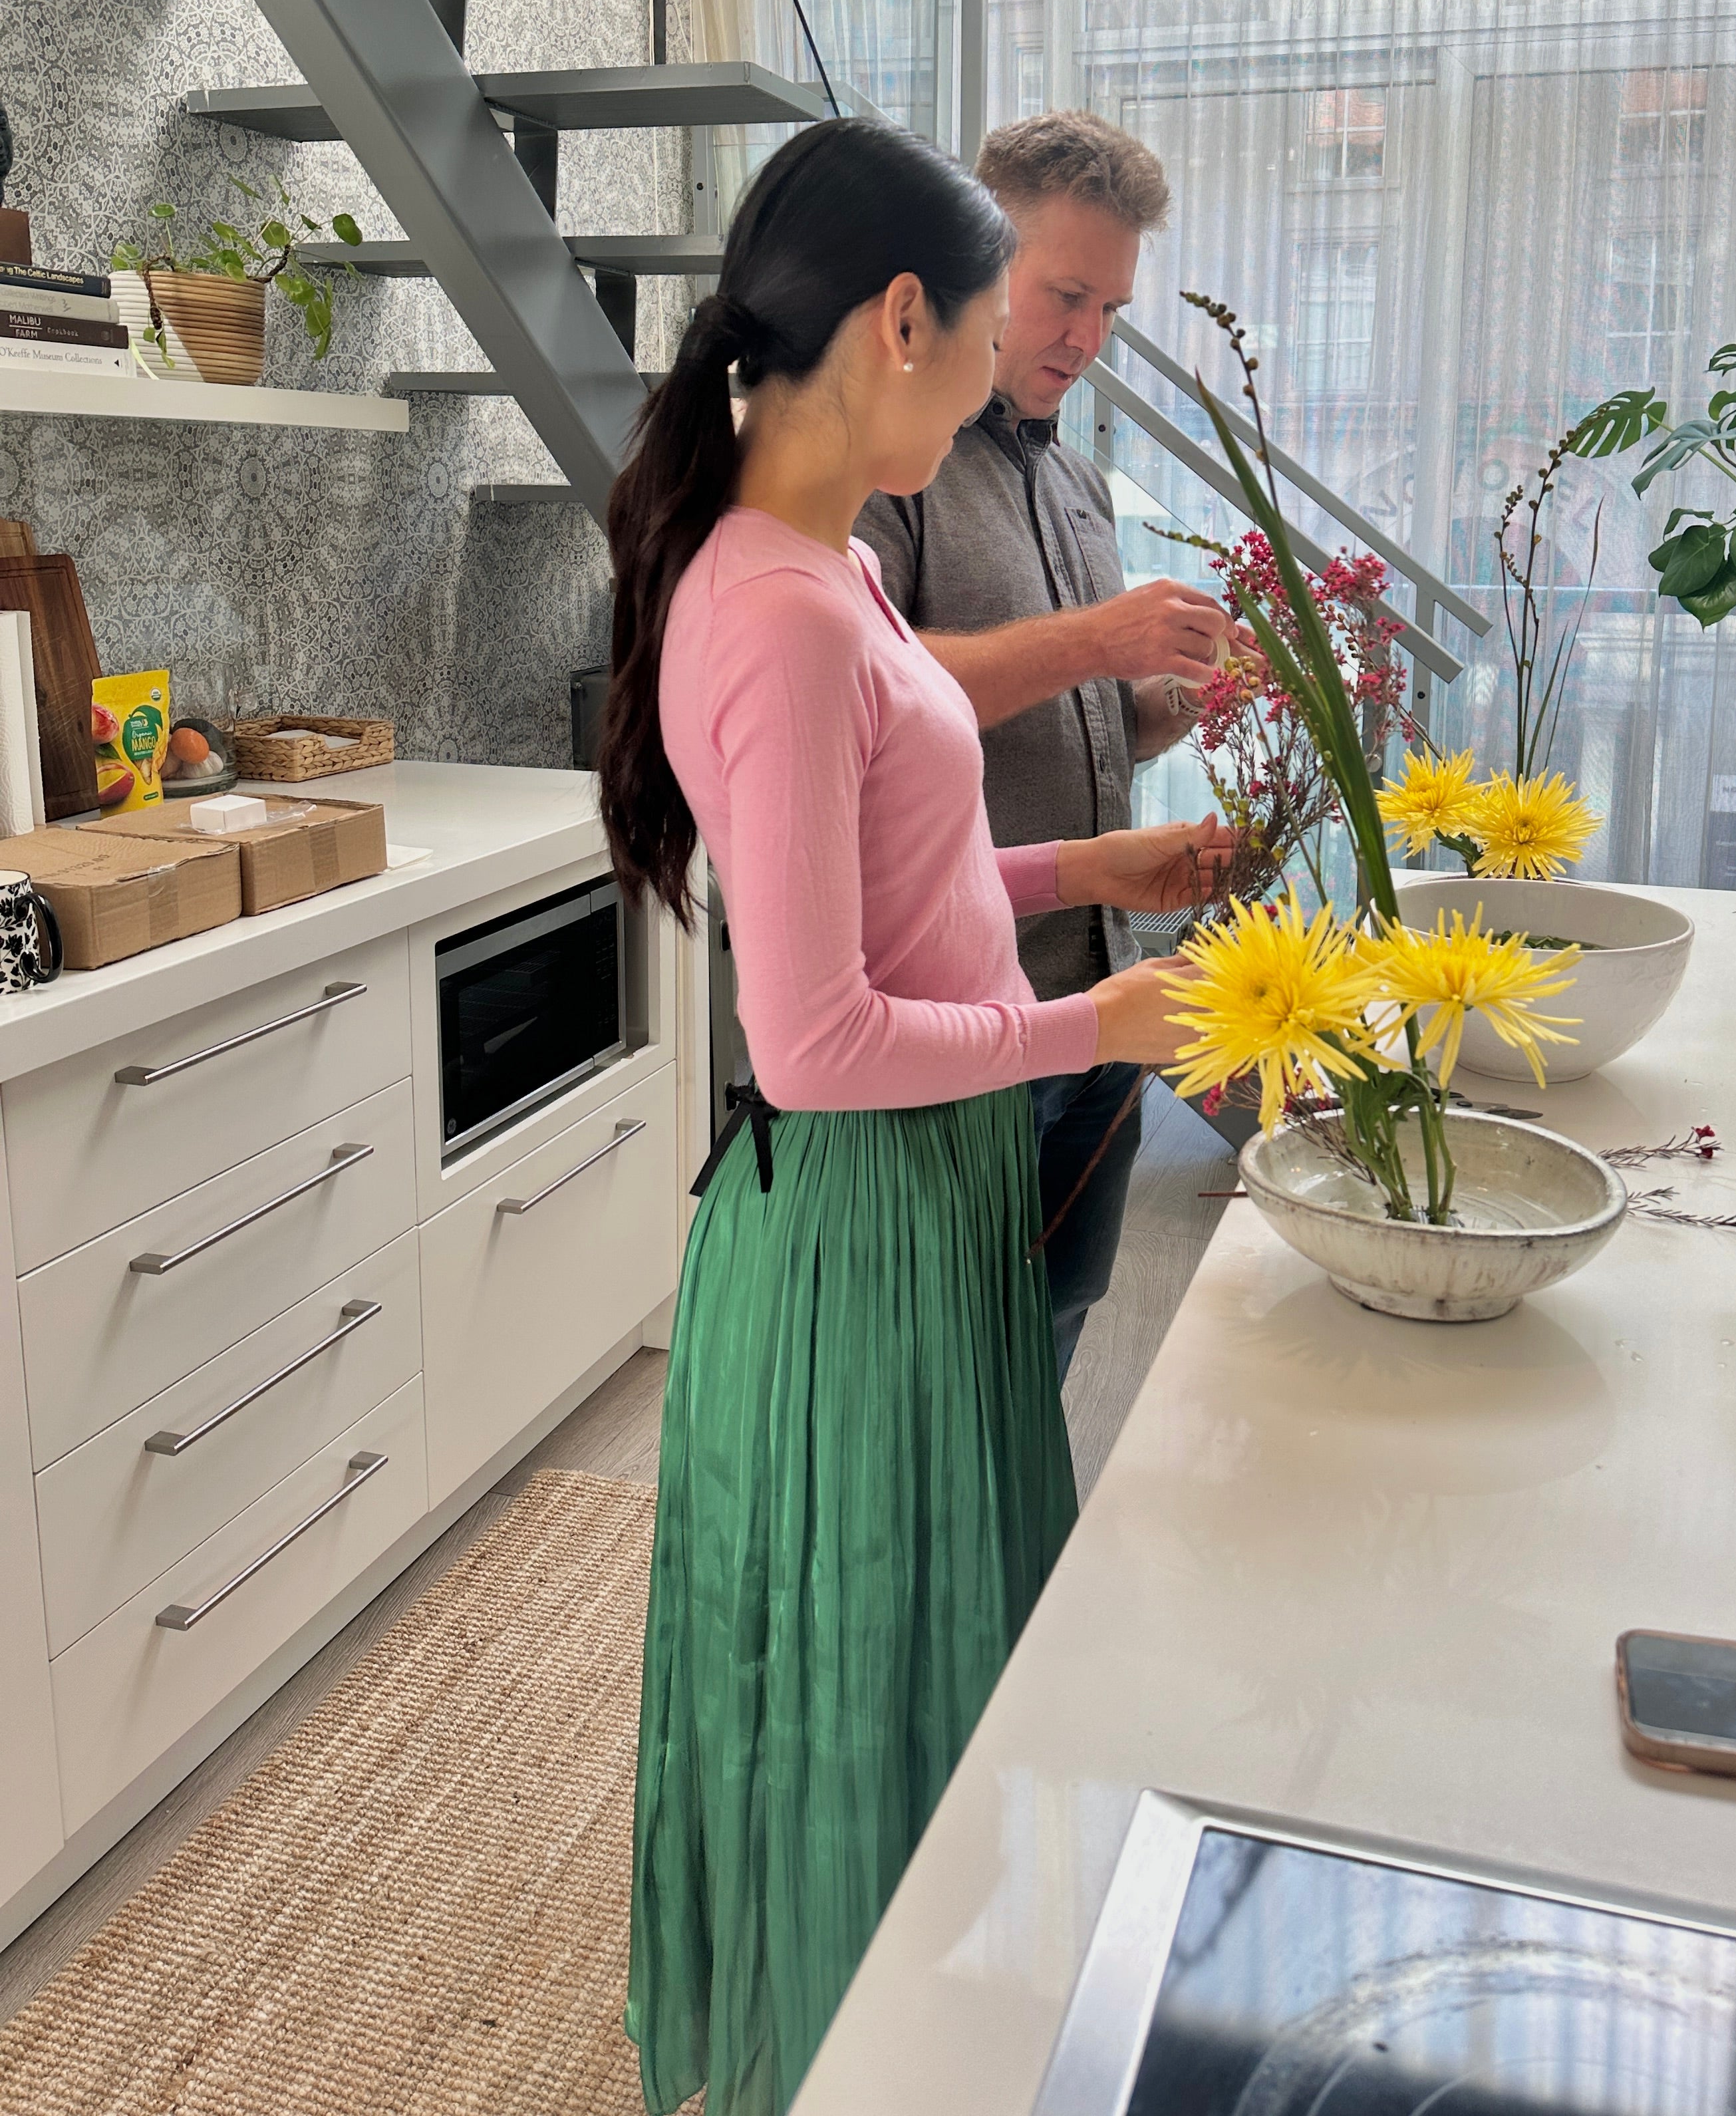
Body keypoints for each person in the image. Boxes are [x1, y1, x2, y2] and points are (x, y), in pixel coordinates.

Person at [599, 116, 1229, 2116]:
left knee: (925, 1649)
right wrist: (1100, 1024)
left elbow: (915, 887)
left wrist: (1082, 892)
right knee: (866, 1670)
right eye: (985, 335)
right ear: (899, 324)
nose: (995, 384)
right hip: (855, 1213)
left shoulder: (825, 577)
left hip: (915, 1200)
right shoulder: (778, 609)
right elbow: (813, 1042)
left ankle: (929, 2028)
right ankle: (873, 2060)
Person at [855, 110, 1246, 1377]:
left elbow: (1093, 724)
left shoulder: (1071, 480)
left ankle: (1025, 1570)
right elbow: (873, 697)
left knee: (1054, 1334)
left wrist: (1180, 697)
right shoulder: (888, 466)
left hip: (1096, 991)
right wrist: (1094, 641)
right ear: (977, 265)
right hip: (965, 1014)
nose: (1087, 337)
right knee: (942, 1370)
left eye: (1111, 309)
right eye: (1065, 294)